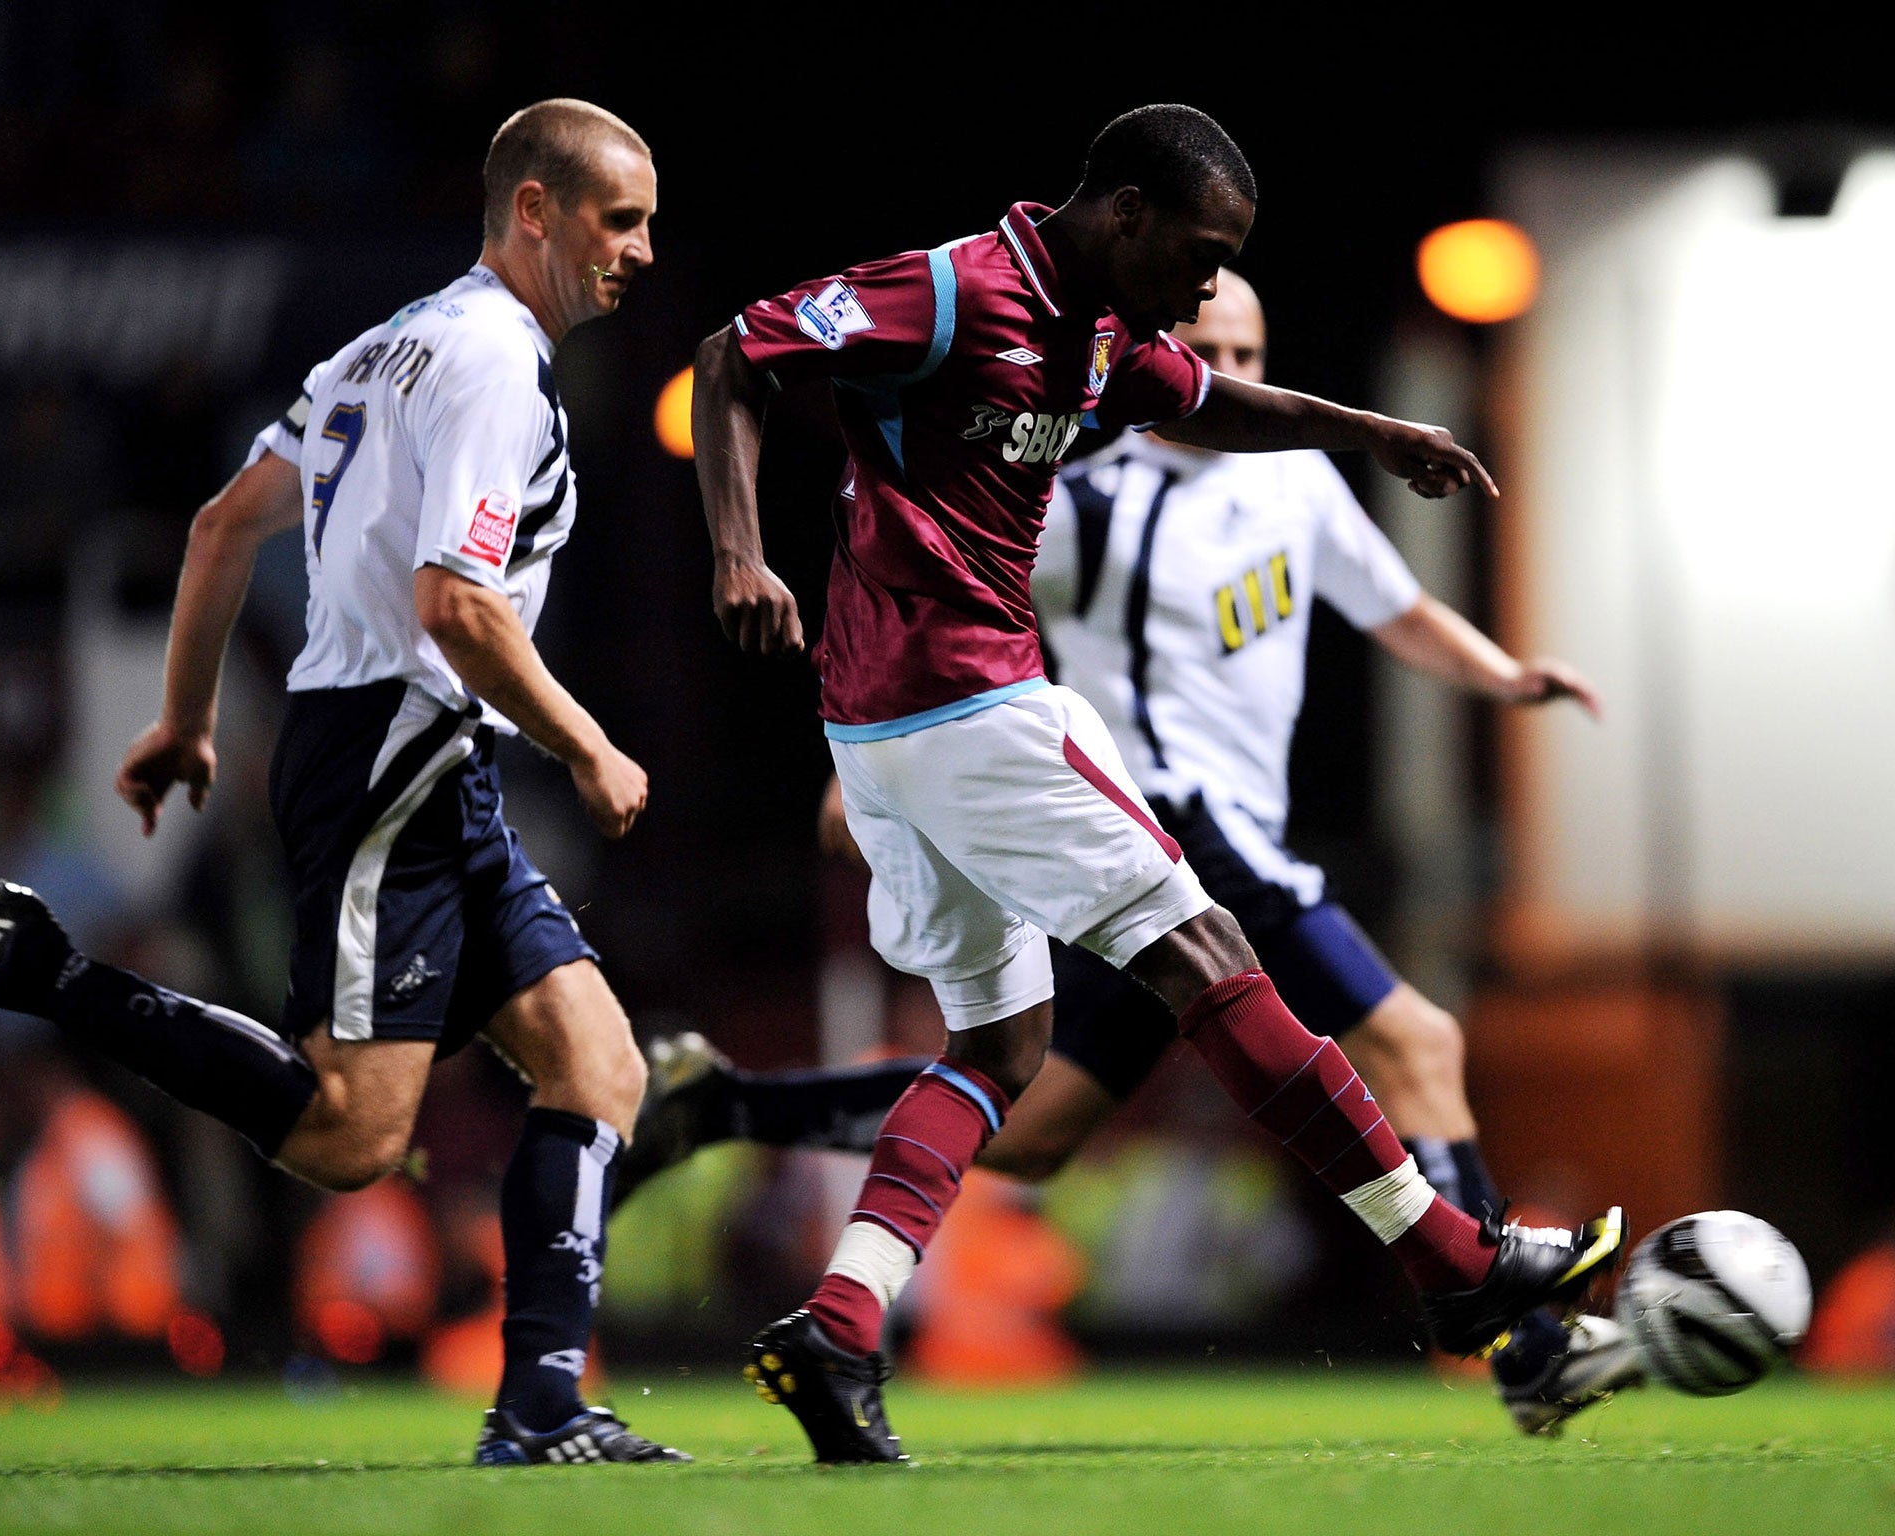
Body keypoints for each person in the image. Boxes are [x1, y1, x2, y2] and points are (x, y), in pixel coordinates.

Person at [692, 102, 1625, 1464]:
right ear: (1122, 211)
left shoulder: (1101, 340)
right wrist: (738, 550)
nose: (1202, 289)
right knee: (1208, 956)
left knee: (1006, 1060)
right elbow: (738, 351)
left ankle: (837, 1331)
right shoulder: (956, 289)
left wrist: (1373, 434)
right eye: (1197, 255)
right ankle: (1452, 1263)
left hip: (889, 732)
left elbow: (1217, 403)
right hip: (975, 702)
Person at [0, 98, 687, 1466]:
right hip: (398, 752)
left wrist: (188, 720)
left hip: (404, 749)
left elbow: (220, 526)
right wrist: (590, 743)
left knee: (597, 1065)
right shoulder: (494, 365)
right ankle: (44, 970)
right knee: (348, 1140)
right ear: (534, 212)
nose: (646, 250)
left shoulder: (383, 347)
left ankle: (544, 1406)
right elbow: (456, 606)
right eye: (623, 219)